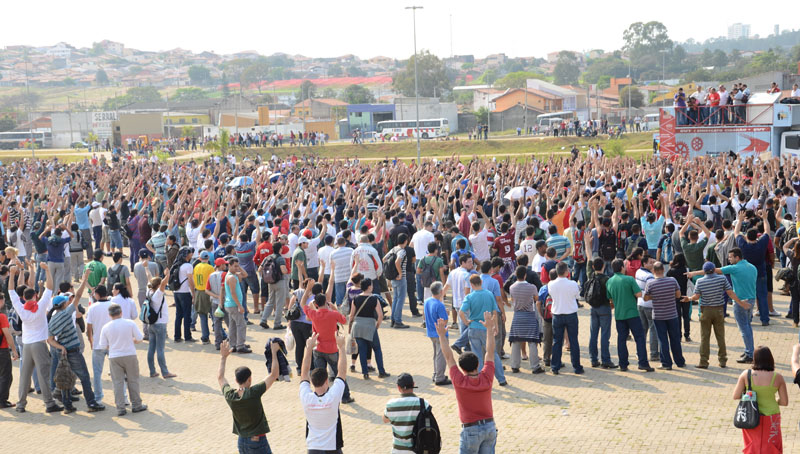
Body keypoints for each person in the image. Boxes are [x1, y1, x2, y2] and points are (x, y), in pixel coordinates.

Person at [435, 313, 499, 454]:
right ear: (478, 365)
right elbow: (490, 351)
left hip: (471, 430)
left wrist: (441, 335)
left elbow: (448, 356)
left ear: (462, 369)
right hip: (489, 427)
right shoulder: (487, 377)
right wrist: (489, 328)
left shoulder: (459, 381)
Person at [46, 269, 104, 413]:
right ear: (64, 305)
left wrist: (60, 347)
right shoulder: (66, 314)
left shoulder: (52, 319)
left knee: (65, 379)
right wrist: (84, 279)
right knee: (84, 377)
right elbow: (78, 295)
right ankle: (91, 403)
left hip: (63, 353)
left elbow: (50, 340)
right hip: (73, 351)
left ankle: (67, 406)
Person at [10, 261, 63, 413]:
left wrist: (13, 273)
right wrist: (46, 270)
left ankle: (21, 404)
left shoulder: (21, 309)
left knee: (25, 376)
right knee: (43, 375)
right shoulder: (40, 307)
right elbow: (50, 288)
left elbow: (12, 293)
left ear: (24, 298)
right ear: (34, 295)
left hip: (26, 345)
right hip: (39, 344)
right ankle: (49, 403)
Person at [218, 339, 281, 454]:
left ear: (236, 380)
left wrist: (223, 357)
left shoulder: (230, 395)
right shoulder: (253, 393)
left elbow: (220, 378)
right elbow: (274, 375)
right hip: (257, 440)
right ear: (249, 379)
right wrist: (274, 352)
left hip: (241, 440)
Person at [732, 346, 788, 453]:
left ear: (754, 359)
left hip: (751, 415)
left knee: (752, 445)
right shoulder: (778, 377)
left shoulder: (746, 375)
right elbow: (784, 402)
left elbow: (736, 396)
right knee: (772, 446)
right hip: (772, 416)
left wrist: (748, 394)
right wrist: (775, 400)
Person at [299, 331, 347, 454]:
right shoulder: (333, 396)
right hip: (332, 448)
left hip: (313, 447)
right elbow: (341, 372)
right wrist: (341, 347)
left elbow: (304, 373)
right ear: (327, 381)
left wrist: (309, 347)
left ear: (312, 382)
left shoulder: (306, 397)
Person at [97, 303, 147, 416]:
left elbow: (103, 345)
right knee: (133, 380)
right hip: (130, 354)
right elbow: (140, 338)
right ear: (121, 313)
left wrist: (113, 346)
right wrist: (132, 341)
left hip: (114, 356)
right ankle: (136, 404)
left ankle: (120, 408)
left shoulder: (106, 327)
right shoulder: (129, 323)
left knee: (117, 383)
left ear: (109, 315)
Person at [606, 259, 654, 372]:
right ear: (622, 267)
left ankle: (623, 364)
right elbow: (638, 294)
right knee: (639, 338)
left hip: (619, 314)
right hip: (632, 313)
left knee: (621, 339)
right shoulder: (629, 279)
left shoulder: (609, 281)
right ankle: (643, 362)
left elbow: (610, 300)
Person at [460, 274, 507, 385]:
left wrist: (467, 322)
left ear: (471, 284)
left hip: (474, 328)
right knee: (492, 353)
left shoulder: (469, 297)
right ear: (481, 282)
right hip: (487, 328)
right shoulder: (489, 294)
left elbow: (461, 312)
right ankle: (501, 379)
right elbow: (495, 312)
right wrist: (495, 326)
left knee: (477, 355)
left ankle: (479, 379)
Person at [642, 261, 684, 370]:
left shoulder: (650, 283)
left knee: (663, 339)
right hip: (672, 314)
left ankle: (666, 363)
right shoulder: (672, 280)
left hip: (658, 316)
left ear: (653, 271)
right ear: (663, 270)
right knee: (675, 338)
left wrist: (654, 296)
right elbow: (678, 295)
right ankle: (680, 361)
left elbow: (645, 298)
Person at [347, 278, 389, 380]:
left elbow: (351, 316)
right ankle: (381, 371)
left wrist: (349, 327)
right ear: (369, 287)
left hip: (357, 327)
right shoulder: (374, 299)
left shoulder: (356, 299)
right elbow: (380, 315)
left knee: (362, 350)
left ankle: (365, 373)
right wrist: (377, 326)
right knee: (377, 349)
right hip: (370, 326)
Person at [547, 262, 583, 375]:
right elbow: (577, 296)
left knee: (557, 341)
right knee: (573, 341)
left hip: (557, 314)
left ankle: (555, 366)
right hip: (571, 314)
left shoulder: (551, 284)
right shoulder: (572, 284)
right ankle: (576, 366)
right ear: (566, 271)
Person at [382, 373, 432, 454]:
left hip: (398, 451)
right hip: (418, 450)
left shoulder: (391, 404)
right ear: (413, 384)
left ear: (398, 387)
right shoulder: (424, 404)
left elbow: (385, 420)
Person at [507, 266, 544, 374]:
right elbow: (536, 299)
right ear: (525, 275)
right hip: (529, 315)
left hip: (517, 315)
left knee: (515, 341)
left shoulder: (512, 287)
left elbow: (513, 299)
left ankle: (514, 365)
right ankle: (535, 366)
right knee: (532, 341)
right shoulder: (532, 287)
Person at [584, 258, 617, 369]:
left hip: (593, 308)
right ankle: (605, 360)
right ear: (603, 266)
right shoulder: (607, 279)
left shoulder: (591, 277)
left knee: (593, 334)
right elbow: (610, 295)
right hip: (604, 308)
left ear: (593, 267)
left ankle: (593, 359)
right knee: (605, 335)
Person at [145, 269, 177, 379]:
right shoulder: (158, 294)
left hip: (151, 324)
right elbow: (163, 283)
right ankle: (165, 372)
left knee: (151, 348)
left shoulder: (149, 291)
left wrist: (146, 268)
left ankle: (152, 371)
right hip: (160, 324)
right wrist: (167, 274)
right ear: (158, 285)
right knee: (160, 349)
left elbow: (150, 278)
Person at [423, 281, 451, 385]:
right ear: (440, 291)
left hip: (431, 332)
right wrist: (446, 314)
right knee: (441, 355)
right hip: (440, 334)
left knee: (436, 354)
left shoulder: (427, 301)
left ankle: (436, 373)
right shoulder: (439, 305)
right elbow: (444, 321)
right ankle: (440, 377)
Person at [225, 256, 251, 354]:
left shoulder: (234, 275)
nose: (236, 268)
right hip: (234, 305)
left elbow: (245, 274)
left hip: (231, 304)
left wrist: (239, 267)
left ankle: (233, 344)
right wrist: (240, 305)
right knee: (241, 324)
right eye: (235, 266)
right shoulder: (231, 277)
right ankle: (240, 345)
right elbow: (233, 293)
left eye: (237, 266)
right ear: (229, 265)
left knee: (233, 325)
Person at [193, 251, 215, 344]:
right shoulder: (210, 268)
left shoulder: (196, 267)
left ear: (200, 258)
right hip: (208, 292)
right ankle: (221, 334)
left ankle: (205, 337)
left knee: (202, 316)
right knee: (214, 315)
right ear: (208, 258)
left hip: (198, 291)